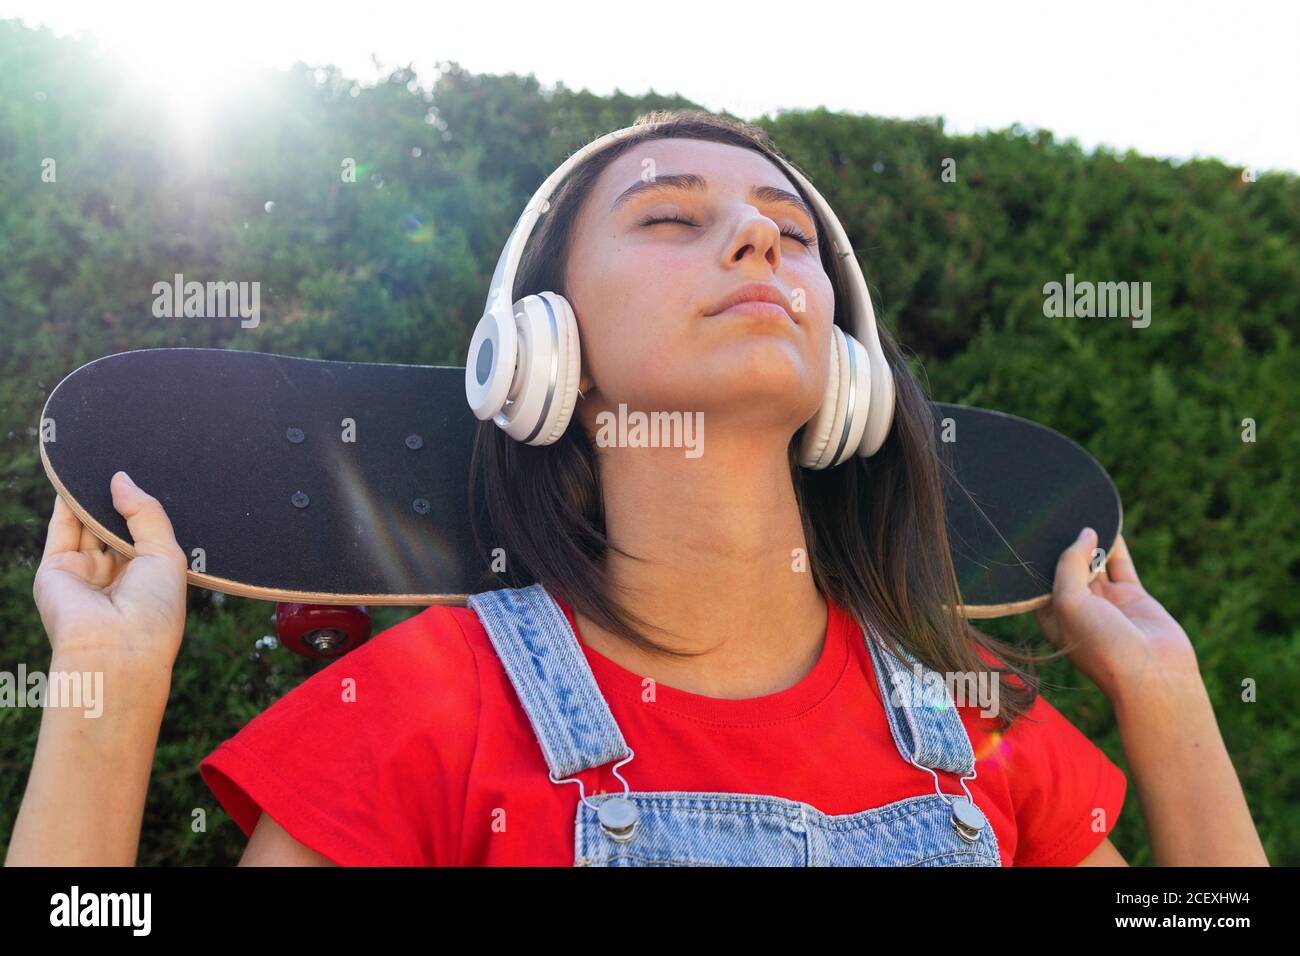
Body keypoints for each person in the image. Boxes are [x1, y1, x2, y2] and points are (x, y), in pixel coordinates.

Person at [7, 110, 1267, 867]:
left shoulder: (970, 713)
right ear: (540, 348)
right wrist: (103, 701)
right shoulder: (423, 703)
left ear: (847, 365)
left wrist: (1167, 694)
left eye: (790, 229)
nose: (759, 237)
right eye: (671, 217)